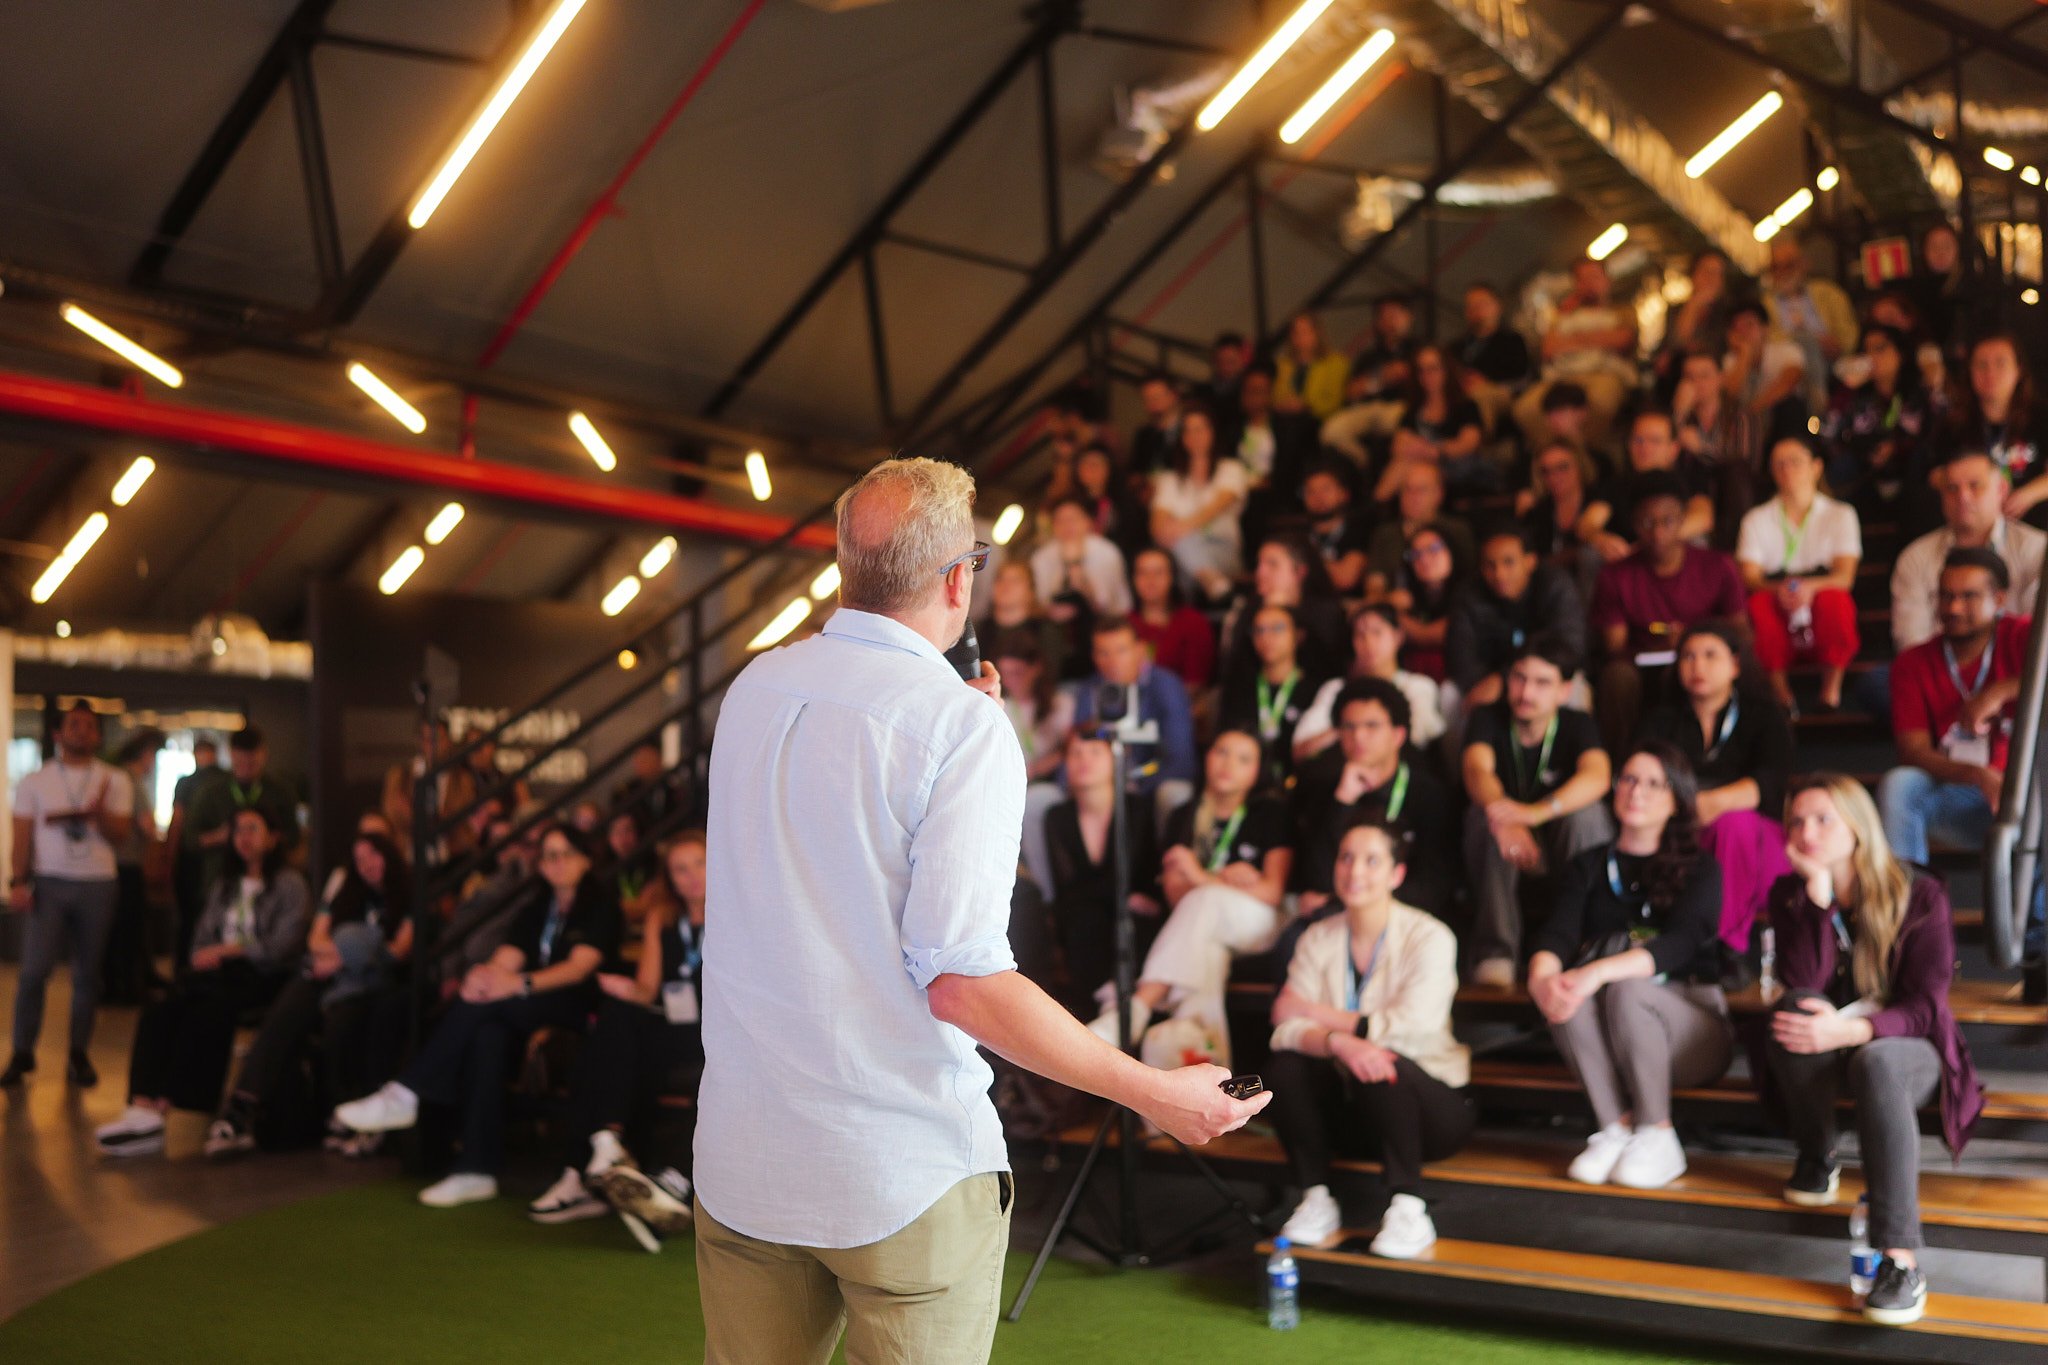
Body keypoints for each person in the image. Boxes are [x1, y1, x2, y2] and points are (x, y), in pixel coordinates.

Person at [682, 458, 1266, 1364]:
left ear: (847, 565)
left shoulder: (754, 687)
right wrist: (1155, 1093)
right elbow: (961, 981)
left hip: (744, 1153)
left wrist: (960, 730)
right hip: (896, 1165)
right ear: (960, 579)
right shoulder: (959, 727)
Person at [1766, 775, 1984, 1327]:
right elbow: (1804, 982)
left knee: (1878, 1058)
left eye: (1823, 819)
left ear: (1858, 826)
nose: (1806, 832)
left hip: (1909, 1051)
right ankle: (1818, 1154)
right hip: (1828, 1050)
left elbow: (1926, 1007)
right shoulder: (1790, 893)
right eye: (1796, 821)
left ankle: (1900, 1260)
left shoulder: (1921, 893)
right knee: (1795, 1007)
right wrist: (1817, 900)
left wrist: (1853, 1033)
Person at [332, 822, 620, 1206]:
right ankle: (477, 1169)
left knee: (489, 1005)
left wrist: (514, 984)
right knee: (487, 1036)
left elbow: (578, 969)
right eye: (550, 855)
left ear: (585, 859)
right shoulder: (537, 906)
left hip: (578, 1007)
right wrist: (483, 978)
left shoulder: (600, 904)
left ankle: (407, 1092)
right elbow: (508, 957)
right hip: (524, 1005)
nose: (558, 862)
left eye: (567, 853)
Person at [1527, 743, 1733, 1190]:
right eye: (1629, 779)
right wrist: (1541, 977)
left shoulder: (1701, 868)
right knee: (1563, 988)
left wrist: (1599, 971)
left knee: (1624, 988)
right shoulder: (1588, 865)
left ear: (1676, 799)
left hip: (1689, 1027)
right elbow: (1558, 933)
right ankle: (1614, 1129)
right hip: (1610, 1030)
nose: (1637, 791)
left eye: (1654, 784)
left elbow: (1681, 942)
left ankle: (1658, 1134)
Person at [1265, 821, 1473, 1256]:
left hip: (1429, 1108)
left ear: (1397, 874)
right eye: (1346, 857)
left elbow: (1414, 1025)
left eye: (1371, 860)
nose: (1355, 870)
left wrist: (1316, 1015)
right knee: (1286, 1067)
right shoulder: (1317, 937)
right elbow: (1284, 1026)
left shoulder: (1430, 936)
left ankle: (1409, 1207)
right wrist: (1337, 1042)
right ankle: (1316, 1199)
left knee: (1381, 1062)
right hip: (1353, 1108)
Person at [92, 807, 312, 1155]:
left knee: (210, 1011)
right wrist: (209, 955)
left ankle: (167, 1102)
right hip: (217, 971)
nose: (244, 838)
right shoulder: (225, 884)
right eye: (238, 830)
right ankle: (141, 1104)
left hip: (263, 973)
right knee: (161, 1007)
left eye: (253, 829)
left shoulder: (290, 884)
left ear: (273, 837)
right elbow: (201, 938)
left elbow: (283, 946)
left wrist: (232, 950)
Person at [531, 833, 708, 1253]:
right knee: (614, 1021)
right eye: (680, 869)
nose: (692, 876)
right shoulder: (663, 918)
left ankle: (591, 1169)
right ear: (669, 878)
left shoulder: (739, 914)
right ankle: (607, 1142)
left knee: (608, 1051)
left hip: (717, 1034)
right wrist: (626, 990)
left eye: (699, 864)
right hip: (674, 1027)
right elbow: (647, 989)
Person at [1086, 728, 1293, 1064]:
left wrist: (1201, 877)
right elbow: (1176, 898)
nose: (1228, 764)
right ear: (1207, 757)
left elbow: (1271, 891)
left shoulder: (1269, 813)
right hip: (1202, 927)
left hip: (1259, 922)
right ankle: (1206, 1070)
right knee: (1207, 955)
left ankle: (1139, 1005)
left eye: (1243, 759)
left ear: (1257, 771)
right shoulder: (1184, 815)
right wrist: (1225, 880)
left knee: (1206, 899)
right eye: (1221, 752)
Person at [203, 829, 414, 1157]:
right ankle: (242, 1105)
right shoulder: (347, 892)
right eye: (359, 859)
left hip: (370, 981)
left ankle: (345, 1114)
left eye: (374, 854)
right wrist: (335, 957)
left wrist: (343, 956)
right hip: (327, 975)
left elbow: (399, 950)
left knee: (341, 1018)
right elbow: (316, 938)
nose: (368, 864)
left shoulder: (408, 894)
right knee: (287, 1010)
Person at [1461, 638, 1615, 985]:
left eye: (1542, 682)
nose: (1526, 692)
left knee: (1587, 815)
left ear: (1565, 690)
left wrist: (1534, 813)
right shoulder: (1488, 717)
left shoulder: (1577, 723)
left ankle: (1585, 943)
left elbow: (1598, 776)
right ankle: (1495, 953)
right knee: (1483, 818)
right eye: (1519, 678)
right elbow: (1476, 770)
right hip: (1506, 850)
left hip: (1559, 841)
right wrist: (1504, 817)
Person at [1636, 625, 1795, 955]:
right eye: (1688, 657)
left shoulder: (1765, 715)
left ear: (1735, 665)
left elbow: (1770, 781)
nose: (1698, 666)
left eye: (1710, 656)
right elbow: (1643, 773)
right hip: (1682, 829)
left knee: (1731, 824)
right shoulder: (1660, 720)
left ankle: (1723, 947)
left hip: (1753, 840)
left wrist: (1707, 804)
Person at [1879, 549, 2030, 887]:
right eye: (1946, 596)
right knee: (1899, 785)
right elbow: (1913, 751)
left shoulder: (2023, 636)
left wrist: (2000, 691)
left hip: (2027, 793)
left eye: (1968, 596)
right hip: (1963, 792)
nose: (1954, 608)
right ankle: (1912, 905)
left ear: (1999, 599)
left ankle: (2035, 917)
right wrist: (1977, 776)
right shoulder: (1912, 664)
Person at [3, 702, 135, 1088]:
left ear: (98, 736)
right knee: (33, 971)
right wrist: (18, 881)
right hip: (49, 883)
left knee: (88, 974)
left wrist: (97, 813)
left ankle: (79, 1054)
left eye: (89, 726)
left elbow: (121, 835)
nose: (82, 731)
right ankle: (22, 1051)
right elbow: (22, 835)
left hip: (98, 883)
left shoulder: (115, 780)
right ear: (58, 734)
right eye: (74, 724)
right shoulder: (35, 781)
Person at [1589, 472, 1748, 757]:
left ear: (1683, 520)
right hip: (1642, 665)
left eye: (1668, 521)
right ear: (1634, 524)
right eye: (1647, 523)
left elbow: (1740, 630)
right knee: (1616, 677)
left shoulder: (1717, 565)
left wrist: (1692, 643)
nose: (1658, 533)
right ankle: (1623, 763)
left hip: (1704, 660)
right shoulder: (1615, 575)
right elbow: (1615, 647)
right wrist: (1664, 644)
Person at [1293, 678, 1455, 919]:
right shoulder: (1325, 788)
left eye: (1371, 726)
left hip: (1403, 919)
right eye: (1349, 726)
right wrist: (1342, 801)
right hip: (1335, 919)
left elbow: (1433, 887)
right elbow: (1315, 882)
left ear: (1398, 735)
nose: (1358, 736)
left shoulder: (1428, 794)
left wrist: (1348, 901)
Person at [1736, 436, 1863, 712]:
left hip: (1820, 592)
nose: (1787, 469)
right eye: (1779, 464)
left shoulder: (1840, 514)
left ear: (1816, 467)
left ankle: (1831, 691)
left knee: (1836, 600)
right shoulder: (1755, 519)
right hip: (1777, 594)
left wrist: (1809, 588)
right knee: (1758, 605)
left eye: (1795, 462)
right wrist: (1781, 590)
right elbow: (1750, 578)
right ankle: (1781, 695)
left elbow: (1844, 577)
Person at [1043, 731, 1163, 1016]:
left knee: (1133, 921)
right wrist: (1120, 896)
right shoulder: (1058, 817)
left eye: (1095, 752)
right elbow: (1068, 891)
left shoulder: (1138, 810)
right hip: (1084, 919)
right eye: (1076, 753)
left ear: (1115, 759)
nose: (1084, 760)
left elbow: (1144, 877)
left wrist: (1125, 898)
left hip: (1135, 916)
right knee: (1083, 920)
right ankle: (1100, 1010)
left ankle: (1119, 1008)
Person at [1890, 451, 2047, 650]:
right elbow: (1911, 643)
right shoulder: (1915, 558)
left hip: (2017, 665)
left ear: (2001, 489)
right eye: (1952, 488)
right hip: (1937, 666)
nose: (1963, 497)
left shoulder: (2038, 549)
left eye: (1975, 485)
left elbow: (2041, 639)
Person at [1447, 523, 1586, 710]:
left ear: (1530, 561)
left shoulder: (1556, 587)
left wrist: (1506, 680)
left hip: (1542, 678)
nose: (1499, 574)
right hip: (1484, 681)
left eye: (1508, 562)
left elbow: (1570, 648)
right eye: (1490, 565)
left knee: (1575, 689)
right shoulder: (1468, 594)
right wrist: (1490, 686)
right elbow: (1460, 657)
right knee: (1450, 693)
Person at [1513, 257, 1639, 454]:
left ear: (1607, 280)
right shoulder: (1561, 316)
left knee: (1600, 403)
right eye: (1582, 279)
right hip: (1561, 377)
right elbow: (1548, 349)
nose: (1589, 284)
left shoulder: (1623, 311)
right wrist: (1597, 338)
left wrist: (1571, 340)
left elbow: (1622, 341)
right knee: (1525, 409)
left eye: (1594, 277)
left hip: (1604, 374)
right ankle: (1555, 453)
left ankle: (1582, 456)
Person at [1292, 603, 1448, 758]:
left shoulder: (1418, 686)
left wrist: (1346, 735)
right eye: (1360, 634)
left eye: (1377, 632)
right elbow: (1300, 749)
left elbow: (1416, 742)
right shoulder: (1335, 688)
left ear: (1398, 636)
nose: (1368, 642)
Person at [1220, 534, 1351, 697]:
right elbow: (1234, 668)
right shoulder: (1250, 610)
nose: (1260, 572)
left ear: (1300, 572)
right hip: (1256, 698)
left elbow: (1330, 667)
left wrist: (1285, 613)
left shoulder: (1326, 614)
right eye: (1259, 564)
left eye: (1272, 564)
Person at [186, 725, 299, 906]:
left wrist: (268, 839)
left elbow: (293, 838)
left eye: (252, 763)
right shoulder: (211, 792)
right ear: (231, 755)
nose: (246, 768)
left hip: (269, 886)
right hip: (221, 883)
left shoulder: (280, 791)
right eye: (240, 763)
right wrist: (218, 837)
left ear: (264, 754)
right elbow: (189, 840)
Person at [1580, 411, 1718, 559]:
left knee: (1697, 541)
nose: (1644, 447)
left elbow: (1703, 517)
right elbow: (1588, 524)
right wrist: (1601, 539)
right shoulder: (1616, 483)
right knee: (1589, 553)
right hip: (1624, 560)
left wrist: (1650, 543)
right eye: (1638, 440)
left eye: (1655, 441)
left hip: (1670, 557)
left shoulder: (1688, 479)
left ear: (1673, 449)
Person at [1819, 323, 1931, 504]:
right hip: (1865, 475)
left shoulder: (1919, 391)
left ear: (1900, 352)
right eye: (1866, 351)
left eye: (1880, 349)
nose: (1872, 357)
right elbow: (1825, 432)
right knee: (1842, 466)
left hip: (1907, 471)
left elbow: (1932, 435)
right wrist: (1847, 387)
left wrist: (1896, 448)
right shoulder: (1855, 395)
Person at [1219, 605, 1327, 791]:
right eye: (1258, 630)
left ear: (1298, 635)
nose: (1266, 637)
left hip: (1299, 786)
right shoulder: (1238, 687)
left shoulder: (1317, 690)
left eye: (1277, 628)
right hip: (1244, 784)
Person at [1149, 404, 1249, 600]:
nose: (1194, 436)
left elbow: (1217, 506)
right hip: (1181, 556)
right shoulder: (1170, 479)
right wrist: (1172, 532)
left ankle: (1209, 583)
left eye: (1200, 429)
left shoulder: (1231, 469)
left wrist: (1181, 528)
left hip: (1222, 546)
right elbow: (1158, 525)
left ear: (1213, 432)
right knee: (1178, 549)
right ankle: (1210, 581)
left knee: (1181, 542)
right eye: (1188, 430)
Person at [1947, 334, 2048, 527]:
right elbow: (1934, 472)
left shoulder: (2042, 417)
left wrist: (2028, 494)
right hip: (1973, 526)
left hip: (2034, 525)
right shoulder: (1955, 423)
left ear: (2018, 370)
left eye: (2000, 363)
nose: (1990, 373)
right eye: (1982, 365)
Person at [1763, 235, 1857, 414]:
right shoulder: (1765, 305)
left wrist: (1836, 344)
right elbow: (1769, 340)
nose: (1782, 272)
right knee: (1806, 343)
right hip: (1787, 370)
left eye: (1789, 265)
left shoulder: (1829, 294)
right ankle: (1820, 410)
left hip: (1834, 361)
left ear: (1804, 264)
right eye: (1776, 267)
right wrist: (1810, 341)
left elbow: (1849, 333)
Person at [1381, 344, 1488, 499]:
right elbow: (1398, 445)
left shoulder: (1465, 406)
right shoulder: (1414, 409)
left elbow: (1468, 444)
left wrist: (1433, 450)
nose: (1426, 375)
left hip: (1457, 468)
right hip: (1419, 465)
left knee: (1409, 467)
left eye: (1433, 369)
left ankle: (1377, 504)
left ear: (1446, 370)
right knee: (1406, 464)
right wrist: (1422, 450)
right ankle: (1379, 504)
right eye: (1421, 370)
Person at [104, 729, 164, 1005]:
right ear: (146, 754)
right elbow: (146, 824)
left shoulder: (115, 777)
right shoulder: (132, 781)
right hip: (127, 865)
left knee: (118, 928)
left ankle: (117, 985)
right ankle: (128, 988)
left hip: (114, 865)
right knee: (130, 928)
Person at [1363, 461, 1474, 599]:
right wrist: (1388, 601)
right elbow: (1374, 584)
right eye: (1407, 489)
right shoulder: (1385, 533)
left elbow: (1469, 580)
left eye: (1421, 489)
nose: (1413, 496)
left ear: (1439, 494)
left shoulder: (1457, 531)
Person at [165, 736, 229, 970]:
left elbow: (177, 821)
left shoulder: (189, 783)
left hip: (194, 860)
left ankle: (185, 971)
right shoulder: (227, 780)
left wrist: (169, 859)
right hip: (221, 861)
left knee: (189, 918)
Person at [991, 631, 1075, 785]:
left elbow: (1071, 748)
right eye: (1005, 673)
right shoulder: (999, 707)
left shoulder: (1061, 703)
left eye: (1017, 673)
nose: (1009, 681)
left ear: (1036, 668)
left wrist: (1037, 768)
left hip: (1054, 783)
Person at [1030, 494, 1133, 621]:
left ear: (1088, 522)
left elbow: (1115, 601)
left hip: (1104, 620)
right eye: (1060, 521)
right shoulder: (1041, 558)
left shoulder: (1107, 552)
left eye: (1073, 519)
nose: (1067, 526)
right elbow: (1040, 601)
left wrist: (1077, 568)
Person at [1127, 546, 1215, 693]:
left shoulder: (1193, 622)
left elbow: (1197, 682)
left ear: (1172, 577)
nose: (1150, 580)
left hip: (1181, 701)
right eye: (1142, 573)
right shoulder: (1125, 623)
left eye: (1158, 573)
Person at [1723, 299, 1809, 444]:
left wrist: (1751, 412)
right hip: (1746, 431)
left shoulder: (1786, 351)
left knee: (1791, 405)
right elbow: (1729, 397)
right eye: (1737, 328)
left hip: (1779, 424)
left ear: (1765, 329)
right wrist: (1745, 356)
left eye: (1749, 325)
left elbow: (1788, 383)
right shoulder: (1731, 361)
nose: (1743, 333)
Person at [1387, 522, 1464, 683]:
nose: (1424, 559)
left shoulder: (1469, 592)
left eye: (1433, 549)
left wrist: (1392, 611)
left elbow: (1426, 636)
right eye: (1415, 554)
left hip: (1458, 681)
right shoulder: (1408, 594)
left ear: (1451, 550)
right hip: (1412, 678)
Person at [980, 559, 1071, 683]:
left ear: (1030, 590)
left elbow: (1049, 678)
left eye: (1015, 580)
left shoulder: (1046, 631)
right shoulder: (978, 629)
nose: (1006, 585)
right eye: (1000, 579)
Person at [1452, 280, 1531, 414]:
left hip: (1502, 392)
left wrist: (1486, 381)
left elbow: (1521, 377)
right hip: (1463, 391)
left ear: (1498, 306)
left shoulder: (1512, 340)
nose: (1476, 310)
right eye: (1471, 305)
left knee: (1479, 396)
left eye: (1482, 304)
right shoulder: (1457, 346)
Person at [1300, 458, 1373, 596]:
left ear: (1344, 494)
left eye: (1326, 489)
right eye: (1311, 491)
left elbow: (1345, 579)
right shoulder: (1297, 535)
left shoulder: (1359, 532)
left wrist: (1305, 559)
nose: (1318, 497)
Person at [1275, 312, 1352, 421]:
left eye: (1305, 332)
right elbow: (1274, 396)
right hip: (1285, 420)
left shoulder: (1337, 363)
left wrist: (1306, 406)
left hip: (1321, 420)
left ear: (1317, 333)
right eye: (1296, 332)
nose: (1300, 338)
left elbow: (1334, 401)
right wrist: (1285, 404)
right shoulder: (1282, 365)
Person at [1127, 372, 1184, 479]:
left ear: (1173, 396)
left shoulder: (1189, 431)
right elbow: (1135, 472)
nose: (1153, 403)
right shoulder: (1143, 435)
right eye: (1147, 399)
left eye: (1157, 397)